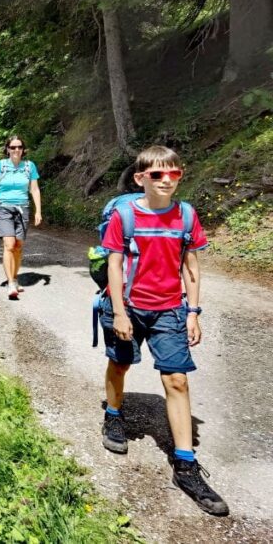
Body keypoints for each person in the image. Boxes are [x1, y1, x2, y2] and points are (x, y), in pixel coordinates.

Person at [98, 145, 228, 516]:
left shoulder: (186, 215)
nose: (167, 180)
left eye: (174, 173)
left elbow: (191, 268)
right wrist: (120, 313)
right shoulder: (125, 215)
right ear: (141, 179)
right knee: (120, 364)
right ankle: (113, 415)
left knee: (177, 380)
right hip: (128, 307)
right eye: (157, 174)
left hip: (170, 309)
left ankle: (185, 465)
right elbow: (114, 265)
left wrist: (194, 312)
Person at [0, 136, 42, 299]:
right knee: (9, 244)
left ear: (23, 149)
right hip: (3, 208)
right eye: (13, 147)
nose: (16, 150)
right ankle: (10, 283)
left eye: (19, 147)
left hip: (22, 208)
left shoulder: (29, 167)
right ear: (7, 149)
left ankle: (15, 278)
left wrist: (38, 211)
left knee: (18, 245)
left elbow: (35, 190)